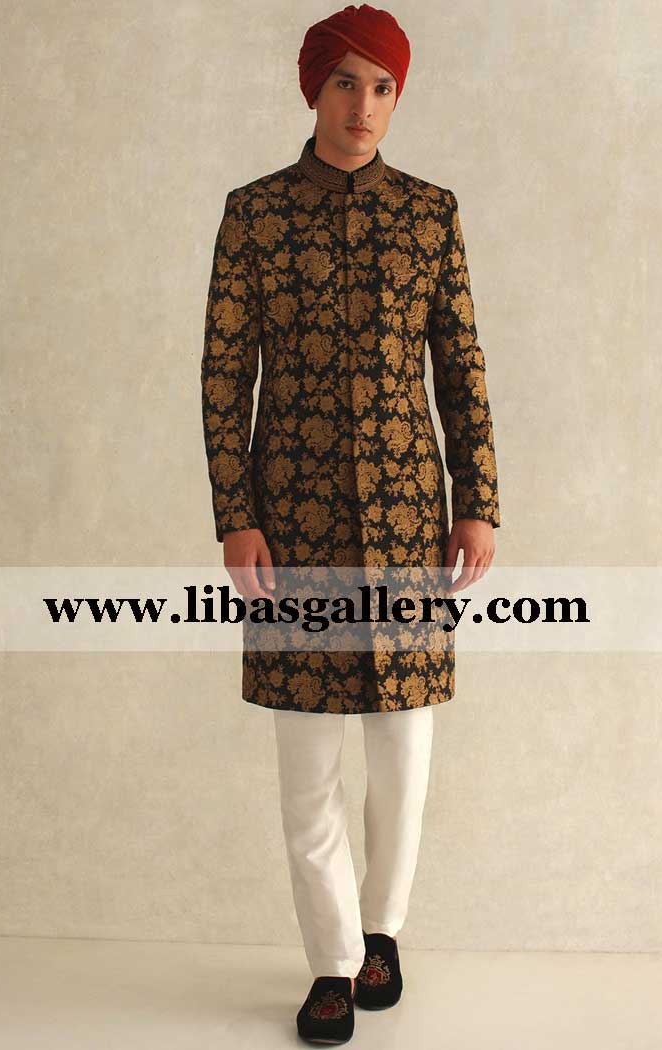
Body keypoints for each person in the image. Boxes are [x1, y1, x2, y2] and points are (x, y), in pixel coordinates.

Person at [200, 4, 500, 1043]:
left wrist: (478, 500)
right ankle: (331, 963)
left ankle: (383, 932)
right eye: (345, 83)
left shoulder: (430, 215)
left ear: (396, 97)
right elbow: (223, 374)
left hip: (412, 519)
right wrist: (237, 514)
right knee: (308, 765)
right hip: (292, 525)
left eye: (382, 87)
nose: (362, 106)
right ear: (313, 88)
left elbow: (461, 368)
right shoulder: (255, 214)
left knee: (402, 756)